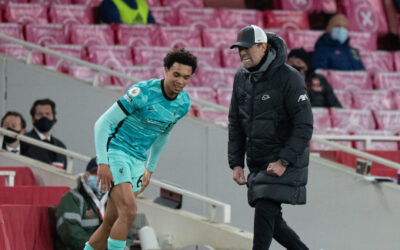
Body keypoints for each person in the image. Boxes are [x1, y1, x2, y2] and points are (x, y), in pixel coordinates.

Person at [84, 49, 197, 250]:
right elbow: (102, 123)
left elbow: (163, 134)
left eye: (186, 77)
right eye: (176, 74)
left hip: (138, 160)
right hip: (117, 151)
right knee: (129, 211)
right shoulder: (142, 92)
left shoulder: (183, 104)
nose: (180, 81)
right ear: (166, 70)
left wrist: (150, 168)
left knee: (112, 221)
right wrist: (103, 161)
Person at [229, 25, 313, 250]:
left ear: (263, 47)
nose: (242, 53)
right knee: (274, 222)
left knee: (265, 208)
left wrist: (284, 161)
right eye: (239, 49)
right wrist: (236, 163)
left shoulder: (289, 78)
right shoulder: (240, 79)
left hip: (283, 162)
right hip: (258, 163)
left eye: (247, 48)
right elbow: (236, 123)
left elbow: (305, 125)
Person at [55, 157, 107, 250]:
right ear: (85, 175)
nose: (99, 178)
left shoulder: (112, 199)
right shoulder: (72, 198)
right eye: (95, 173)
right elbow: (71, 233)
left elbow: (126, 227)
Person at [25, 98, 67, 169]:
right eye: (40, 114)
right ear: (32, 119)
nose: (44, 117)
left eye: (47, 114)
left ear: (53, 118)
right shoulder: (24, 141)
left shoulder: (61, 146)